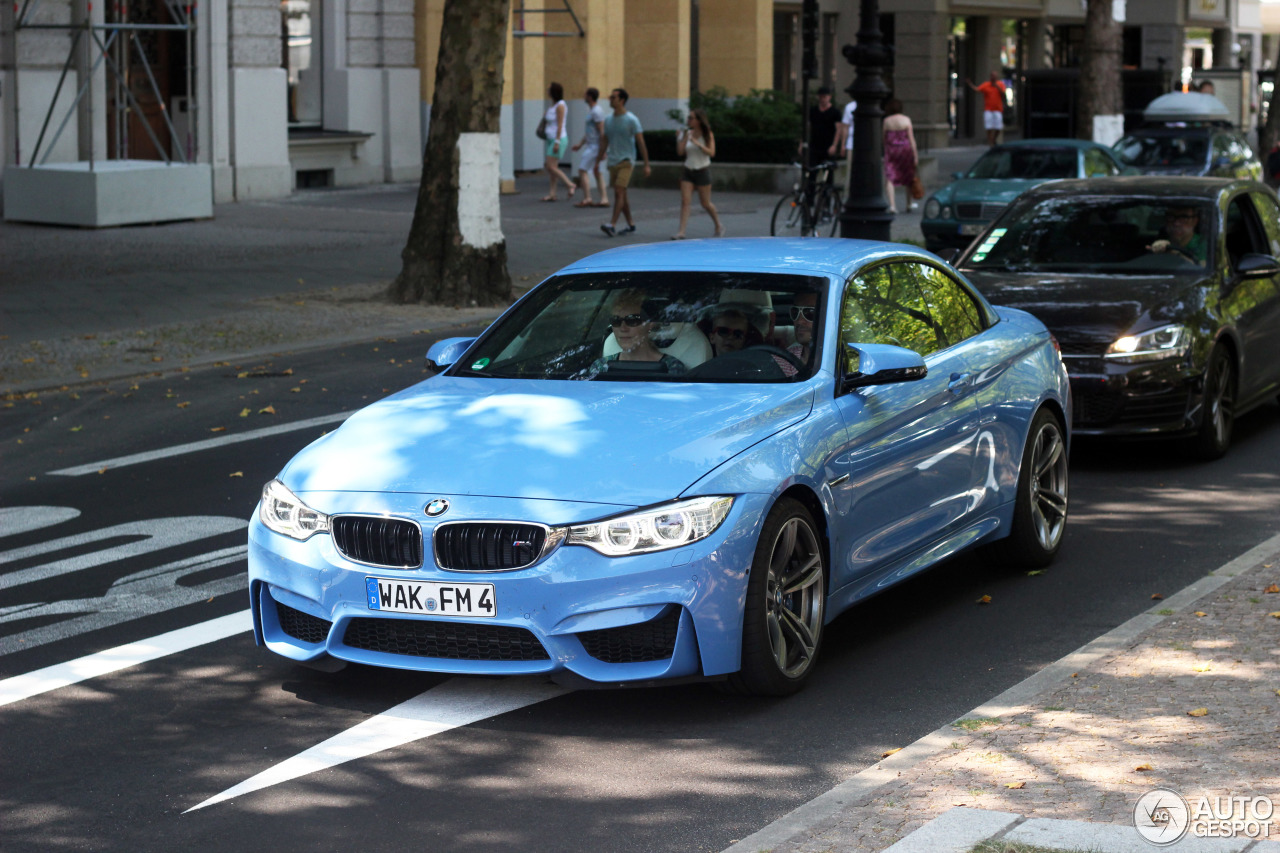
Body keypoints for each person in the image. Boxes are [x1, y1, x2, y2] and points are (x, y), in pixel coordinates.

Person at [583, 289, 686, 376]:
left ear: (650, 324)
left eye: (632, 320)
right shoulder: (601, 367)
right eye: (616, 321)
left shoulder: (672, 368)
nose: (623, 328)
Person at [598, 88, 651, 237]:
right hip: (613, 161)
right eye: (610, 96)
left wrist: (646, 164)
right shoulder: (608, 120)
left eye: (613, 97)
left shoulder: (631, 119)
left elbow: (641, 142)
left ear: (622, 100)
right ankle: (631, 224)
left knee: (619, 191)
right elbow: (605, 141)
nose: (610, 99)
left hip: (627, 161)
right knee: (622, 195)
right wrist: (597, 161)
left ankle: (612, 224)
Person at [673, 109, 726, 239]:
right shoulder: (688, 133)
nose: (688, 120)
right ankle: (681, 232)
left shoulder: (707, 134)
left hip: (702, 171)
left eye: (691, 118)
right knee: (685, 201)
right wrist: (679, 139)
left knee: (705, 203)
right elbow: (680, 152)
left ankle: (718, 224)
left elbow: (711, 152)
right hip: (688, 170)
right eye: (688, 118)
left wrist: (698, 144)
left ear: (698, 120)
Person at [571, 88, 609, 208]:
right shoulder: (592, 111)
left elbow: (602, 131)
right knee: (597, 172)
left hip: (594, 147)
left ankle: (588, 198)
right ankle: (604, 199)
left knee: (582, 170)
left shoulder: (596, 112)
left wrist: (603, 150)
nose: (583, 96)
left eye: (585, 95)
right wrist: (580, 144)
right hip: (592, 146)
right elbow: (590, 132)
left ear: (590, 97)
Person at [882, 99, 919, 214]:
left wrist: (886, 150)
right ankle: (908, 204)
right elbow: (911, 139)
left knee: (889, 177)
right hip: (905, 150)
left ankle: (892, 205)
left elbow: (884, 138)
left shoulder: (887, 121)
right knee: (908, 176)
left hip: (892, 150)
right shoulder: (906, 120)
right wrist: (915, 155)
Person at [541, 82, 576, 202]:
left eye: (549, 89)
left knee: (550, 166)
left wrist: (557, 142)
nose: (547, 91)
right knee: (552, 168)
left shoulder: (560, 106)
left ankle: (570, 184)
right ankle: (552, 193)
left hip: (558, 139)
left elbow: (560, 125)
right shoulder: (552, 106)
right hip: (550, 138)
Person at [966, 71, 1007, 146]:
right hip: (988, 110)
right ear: (990, 77)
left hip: (998, 109)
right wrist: (970, 84)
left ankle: (994, 139)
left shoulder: (1000, 84)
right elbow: (977, 89)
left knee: (998, 127)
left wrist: (997, 87)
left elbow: (1003, 94)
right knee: (989, 127)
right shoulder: (986, 85)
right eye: (992, 76)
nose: (994, 78)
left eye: (995, 76)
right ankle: (991, 142)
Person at [836, 95, 858, 176]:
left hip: (865, 144)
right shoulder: (850, 107)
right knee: (850, 171)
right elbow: (845, 127)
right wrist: (843, 144)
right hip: (851, 143)